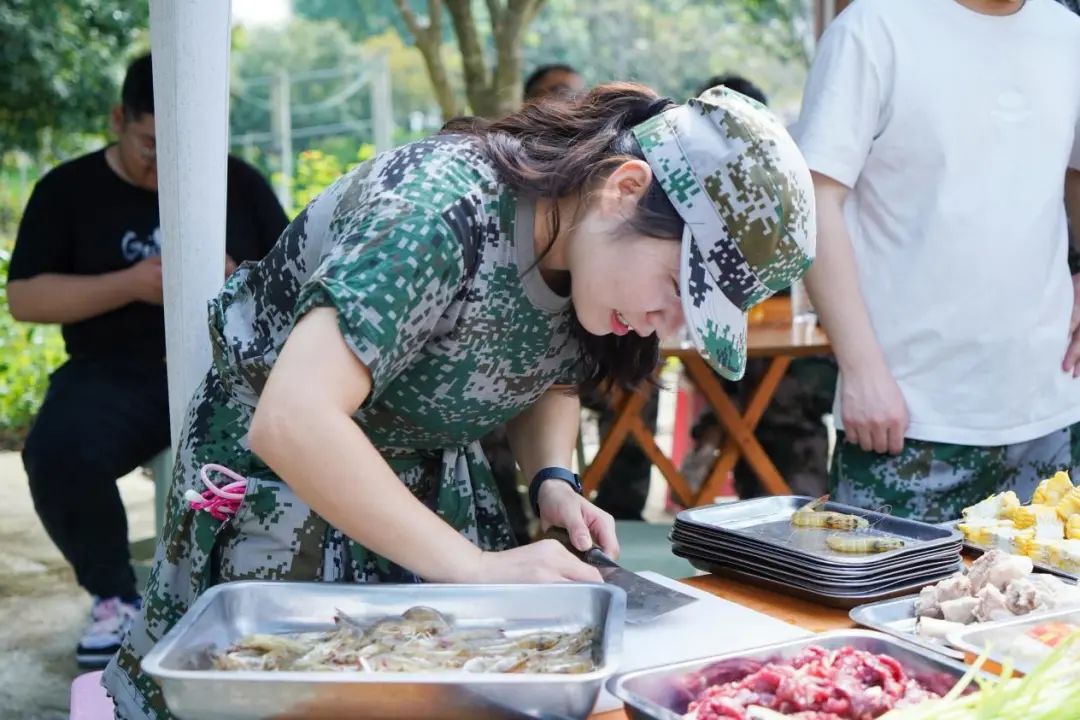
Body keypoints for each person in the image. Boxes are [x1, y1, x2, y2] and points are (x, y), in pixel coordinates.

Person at [101, 83, 815, 717]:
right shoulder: (435, 211)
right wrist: (474, 569)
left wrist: (553, 479)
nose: (669, 325)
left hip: (427, 492)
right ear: (624, 188)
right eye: (677, 287)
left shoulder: (583, 248)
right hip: (290, 496)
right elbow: (293, 419)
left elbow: (546, 371)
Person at [6, 54, 288, 668]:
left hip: (226, 373)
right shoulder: (68, 190)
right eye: (152, 146)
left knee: (291, 447)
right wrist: (131, 283)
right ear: (119, 120)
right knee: (59, 451)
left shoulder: (238, 183)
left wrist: (234, 276)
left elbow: (289, 289)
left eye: (184, 148)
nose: (166, 164)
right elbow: (25, 298)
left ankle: (247, 591)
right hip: (114, 373)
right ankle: (115, 596)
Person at [794, 0, 1080, 522]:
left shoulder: (1068, 34)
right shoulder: (873, 27)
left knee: (1047, 578)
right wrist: (861, 369)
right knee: (884, 577)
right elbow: (812, 201)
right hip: (906, 416)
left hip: (1052, 411)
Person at [680, 74, 838, 502]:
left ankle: (718, 437)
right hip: (735, 356)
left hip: (795, 366)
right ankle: (721, 439)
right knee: (740, 387)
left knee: (776, 399)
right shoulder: (690, 188)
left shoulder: (784, 185)